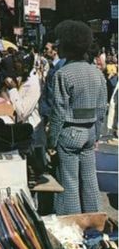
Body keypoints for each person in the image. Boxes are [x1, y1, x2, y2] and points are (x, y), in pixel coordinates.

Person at [48, 20, 107, 215]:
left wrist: (52, 140)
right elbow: (101, 111)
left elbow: (58, 112)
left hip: (69, 132)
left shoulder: (63, 74)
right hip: (90, 131)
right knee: (90, 181)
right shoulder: (97, 73)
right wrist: (97, 135)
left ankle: (72, 226)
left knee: (70, 183)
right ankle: (94, 222)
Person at [4, 54, 47, 181]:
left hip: (33, 132)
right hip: (23, 130)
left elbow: (23, 111)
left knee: (33, 175)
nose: (16, 66)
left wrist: (12, 90)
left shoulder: (33, 84)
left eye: (19, 63)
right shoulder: (23, 80)